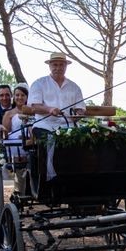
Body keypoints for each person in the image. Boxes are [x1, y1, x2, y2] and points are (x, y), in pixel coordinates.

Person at [28, 52, 86, 180]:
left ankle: (76, 178)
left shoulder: (74, 87)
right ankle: (47, 178)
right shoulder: (39, 83)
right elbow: (34, 106)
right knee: (48, 142)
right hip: (44, 125)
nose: (58, 68)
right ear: (49, 65)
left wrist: (78, 114)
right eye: (55, 65)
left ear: (66, 66)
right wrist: (50, 109)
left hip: (69, 126)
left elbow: (80, 109)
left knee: (84, 142)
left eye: (61, 65)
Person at [2, 83, 30, 193]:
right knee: (20, 150)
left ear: (27, 97)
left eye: (22, 95)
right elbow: (6, 133)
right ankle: (20, 189)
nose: (19, 97)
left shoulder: (33, 111)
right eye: (17, 95)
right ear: (14, 97)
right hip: (17, 143)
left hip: (31, 140)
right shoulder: (9, 113)